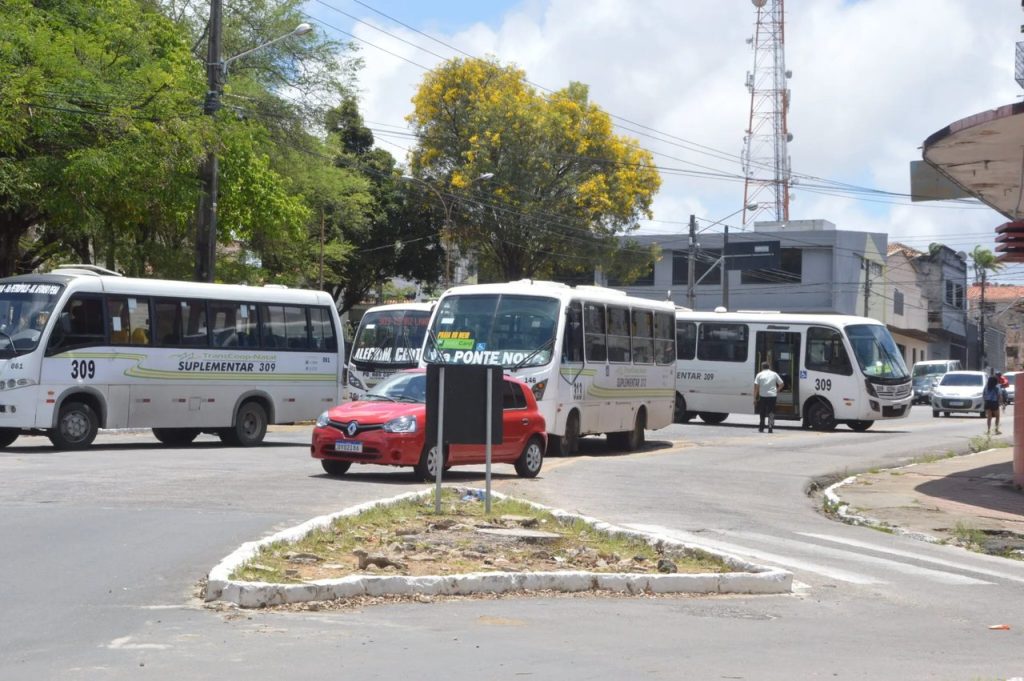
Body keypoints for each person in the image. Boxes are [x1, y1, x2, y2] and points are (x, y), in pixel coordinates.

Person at [753, 361, 785, 433]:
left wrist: (755, 398)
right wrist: (777, 390)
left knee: (762, 412)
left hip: (763, 396)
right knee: (771, 412)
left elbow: (756, 388)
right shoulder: (774, 374)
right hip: (772, 396)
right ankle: (770, 427)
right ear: (769, 367)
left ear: (762, 367)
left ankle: (761, 427)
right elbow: (782, 384)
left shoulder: (759, 375)